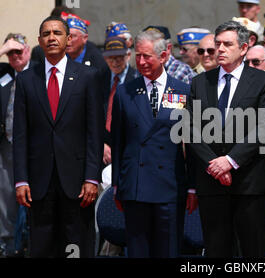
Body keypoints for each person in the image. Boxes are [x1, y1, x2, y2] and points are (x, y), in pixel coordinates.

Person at [13, 16, 103, 258]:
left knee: (76, 247)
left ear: (68, 39)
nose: (52, 37)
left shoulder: (88, 77)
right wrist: (21, 179)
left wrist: (91, 178)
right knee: (42, 248)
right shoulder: (26, 80)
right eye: (46, 33)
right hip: (38, 183)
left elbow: (94, 133)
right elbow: (20, 134)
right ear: (39, 41)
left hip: (77, 184)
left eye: (57, 33)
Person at [186, 20, 265, 257]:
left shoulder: (262, 81)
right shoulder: (200, 82)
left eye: (227, 44)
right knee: (216, 250)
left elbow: (264, 127)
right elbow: (190, 128)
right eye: (218, 44)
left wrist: (231, 160)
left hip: (250, 183)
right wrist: (213, 164)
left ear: (244, 48)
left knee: (252, 251)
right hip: (211, 182)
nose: (220, 49)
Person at [111, 30, 194, 258]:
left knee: (168, 250)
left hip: (169, 186)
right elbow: (119, 142)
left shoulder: (183, 91)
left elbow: (192, 144)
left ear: (165, 55)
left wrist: (192, 186)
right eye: (138, 56)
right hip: (135, 188)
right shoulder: (125, 92)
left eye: (147, 56)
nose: (141, 62)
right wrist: (118, 185)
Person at [0, 33, 34, 257]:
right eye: (10, 53)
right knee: (5, 196)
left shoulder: (38, 73)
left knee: (32, 195)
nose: (14, 56)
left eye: (18, 51)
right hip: (6, 144)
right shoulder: (3, 74)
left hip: (33, 146)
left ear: (28, 50)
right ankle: (6, 243)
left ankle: (31, 242)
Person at [102, 36, 137, 166]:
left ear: (128, 56)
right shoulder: (98, 79)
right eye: (110, 58)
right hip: (103, 150)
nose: (115, 62)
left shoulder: (137, 79)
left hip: (129, 148)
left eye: (119, 57)